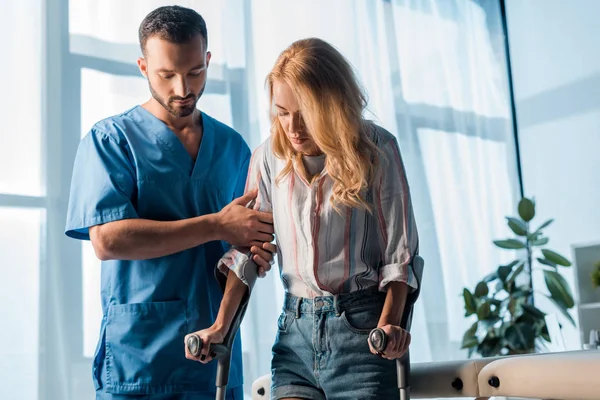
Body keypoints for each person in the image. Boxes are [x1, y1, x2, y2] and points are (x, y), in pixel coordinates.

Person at [185, 38, 423, 400]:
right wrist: (219, 327)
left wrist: (390, 325)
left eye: (306, 113)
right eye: (282, 112)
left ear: (333, 105)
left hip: (363, 334)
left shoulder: (378, 149)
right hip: (295, 331)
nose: (292, 128)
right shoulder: (268, 157)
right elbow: (249, 252)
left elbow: (400, 258)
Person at [65, 6, 276, 400]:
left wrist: (226, 315)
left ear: (208, 60)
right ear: (143, 67)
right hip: (140, 360)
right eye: (167, 75)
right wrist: (216, 225)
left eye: (195, 72)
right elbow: (108, 241)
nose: (183, 89)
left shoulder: (232, 148)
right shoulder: (111, 140)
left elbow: (249, 247)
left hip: (215, 355)